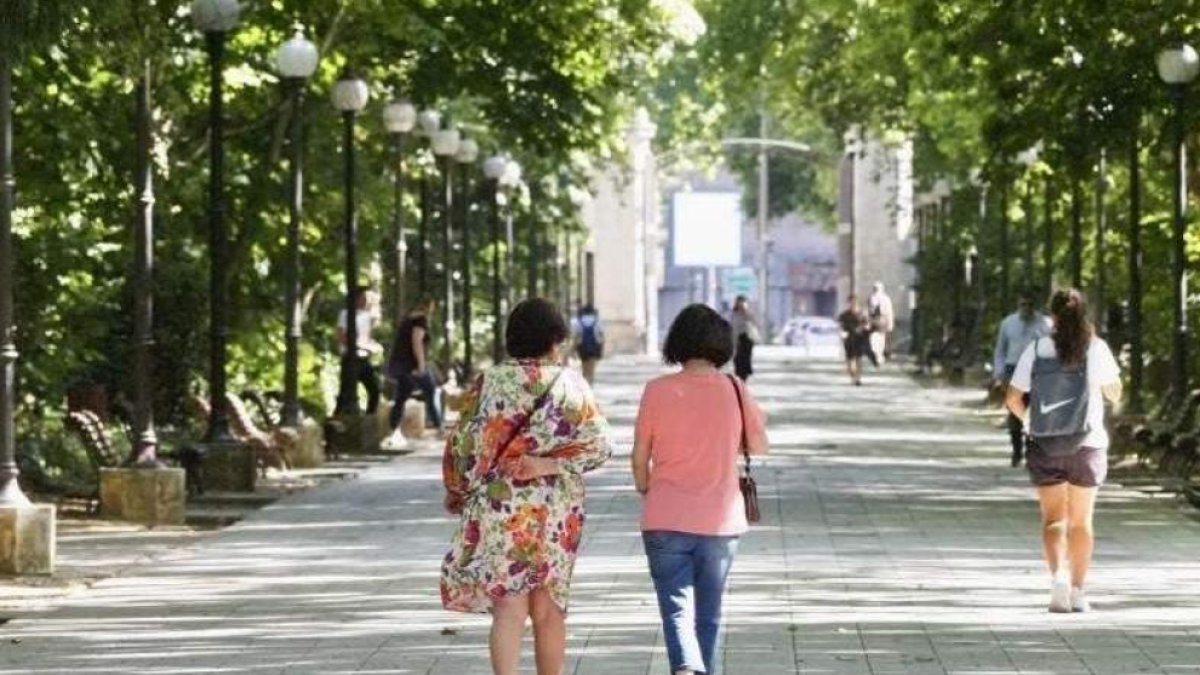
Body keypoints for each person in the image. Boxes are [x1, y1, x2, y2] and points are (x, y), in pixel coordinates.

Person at [441, 298, 612, 675]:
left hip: (500, 507)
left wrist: (457, 488)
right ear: (555, 340)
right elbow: (601, 447)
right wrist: (549, 463)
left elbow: (462, 444)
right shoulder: (571, 383)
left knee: (509, 608)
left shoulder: (490, 382)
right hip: (555, 509)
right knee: (549, 609)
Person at [632, 304, 769, 675]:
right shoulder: (735, 390)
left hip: (665, 517)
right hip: (720, 522)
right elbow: (758, 446)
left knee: (676, 607)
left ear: (678, 341)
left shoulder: (656, 390)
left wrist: (647, 489)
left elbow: (640, 454)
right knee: (709, 614)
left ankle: (686, 666)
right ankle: (696, 667)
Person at [1006, 289, 1121, 614]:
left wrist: (1032, 422)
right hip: (1088, 444)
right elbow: (1114, 393)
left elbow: (1013, 398)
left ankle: (1058, 577)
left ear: (1052, 316)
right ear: (1084, 314)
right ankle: (1078, 591)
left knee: (1053, 520)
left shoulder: (1037, 349)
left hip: (1045, 445)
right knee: (1082, 522)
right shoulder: (1096, 348)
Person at [993, 290, 1053, 467]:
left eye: (1030, 305)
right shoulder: (1008, 323)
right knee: (1015, 411)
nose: (1026, 308)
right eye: (1022, 305)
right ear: (1018, 305)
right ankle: (1017, 449)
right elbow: (1000, 350)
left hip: (1038, 370)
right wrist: (999, 373)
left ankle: (1031, 451)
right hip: (1014, 369)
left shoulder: (1045, 324)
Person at [386, 298, 443, 443]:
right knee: (430, 391)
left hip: (401, 364)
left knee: (401, 396)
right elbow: (416, 342)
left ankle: (393, 429)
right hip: (411, 365)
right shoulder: (420, 321)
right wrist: (421, 365)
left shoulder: (408, 320)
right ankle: (438, 427)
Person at [336, 285, 383, 413]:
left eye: (367, 297)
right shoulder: (346, 314)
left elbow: (367, 338)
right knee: (345, 394)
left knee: (375, 391)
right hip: (350, 358)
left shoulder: (367, 316)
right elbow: (341, 337)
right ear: (355, 299)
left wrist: (374, 346)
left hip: (363, 358)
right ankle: (337, 421)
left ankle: (369, 419)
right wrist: (360, 345)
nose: (366, 300)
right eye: (363, 297)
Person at [837, 294, 870, 386]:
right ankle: (853, 376)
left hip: (859, 339)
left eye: (854, 303)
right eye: (851, 303)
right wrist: (842, 333)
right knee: (850, 360)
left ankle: (858, 378)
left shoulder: (861, 314)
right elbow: (840, 326)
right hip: (848, 340)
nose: (852, 304)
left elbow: (867, 325)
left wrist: (862, 328)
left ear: (857, 303)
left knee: (858, 359)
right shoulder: (844, 315)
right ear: (848, 303)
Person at [572, 304, 605, 385]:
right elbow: (602, 338)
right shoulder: (597, 321)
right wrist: (602, 350)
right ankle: (590, 387)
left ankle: (584, 387)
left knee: (584, 369)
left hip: (582, 348)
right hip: (594, 348)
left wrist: (573, 350)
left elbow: (576, 337)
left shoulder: (578, 322)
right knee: (591, 371)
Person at [729, 295, 760, 381]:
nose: (741, 304)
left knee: (745, 359)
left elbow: (754, 322)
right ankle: (739, 375)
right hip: (737, 338)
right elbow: (732, 327)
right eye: (740, 302)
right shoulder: (733, 313)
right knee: (738, 360)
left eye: (743, 302)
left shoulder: (747, 313)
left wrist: (747, 312)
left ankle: (744, 375)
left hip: (746, 339)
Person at [867, 281, 895, 364]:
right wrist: (867, 323)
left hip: (882, 322)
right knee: (873, 339)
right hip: (873, 322)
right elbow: (868, 312)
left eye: (877, 288)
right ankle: (877, 355)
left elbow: (889, 312)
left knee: (881, 340)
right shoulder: (871, 298)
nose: (876, 290)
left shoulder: (886, 299)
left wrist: (890, 323)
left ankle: (879, 356)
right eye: (875, 288)